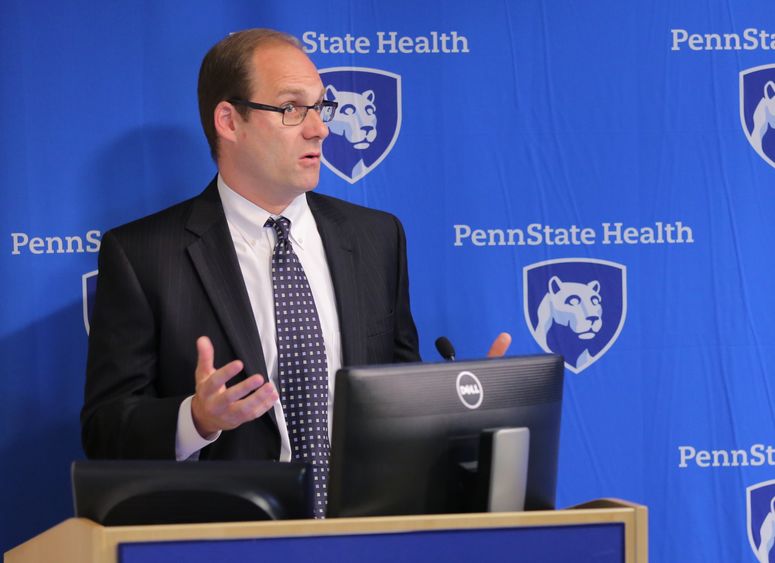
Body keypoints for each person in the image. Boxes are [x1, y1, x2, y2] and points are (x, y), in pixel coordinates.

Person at [81, 29, 510, 512]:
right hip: (228, 538)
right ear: (229, 120)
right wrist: (196, 418)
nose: (319, 129)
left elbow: (396, 388)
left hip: (367, 533)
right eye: (291, 109)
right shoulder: (143, 254)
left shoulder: (376, 238)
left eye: (320, 107)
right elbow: (105, 429)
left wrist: (460, 406)